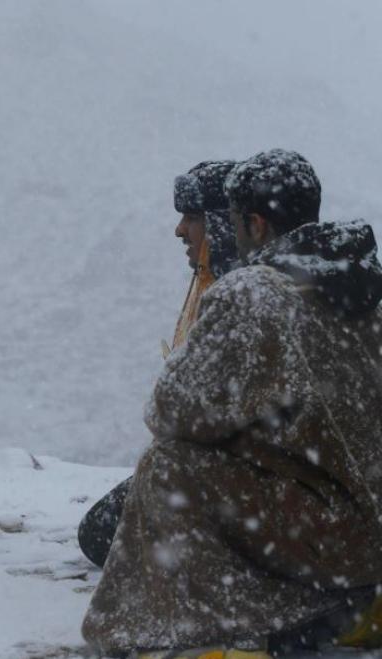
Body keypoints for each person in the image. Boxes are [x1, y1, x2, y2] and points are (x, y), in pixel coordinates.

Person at [82, 150, 382, 656]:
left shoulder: (255, 290)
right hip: (368, 527)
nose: (181, 230)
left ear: (254, 223)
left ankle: (218, 627)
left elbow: (169, 411)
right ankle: (335, 606)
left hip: (332, 539)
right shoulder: (366, 284)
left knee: (169, 466)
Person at [77, 159, 238, 568]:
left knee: (102, 533)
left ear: (221, 224)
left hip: (229, 477)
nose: (180, 230)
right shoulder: (210, 285)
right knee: (102, 528)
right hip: (208, 468)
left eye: (192, 217)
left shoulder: (236, 300)